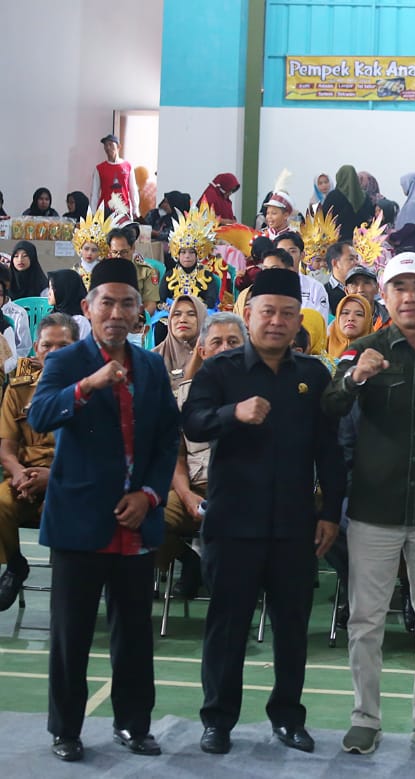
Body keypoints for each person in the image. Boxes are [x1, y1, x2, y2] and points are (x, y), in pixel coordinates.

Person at [182, 268, 345, 756]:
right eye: (268, 312)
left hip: (295, 524)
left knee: (293, 628)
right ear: (249, 314)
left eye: (288, 314)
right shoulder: (220, 370)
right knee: (227, 628)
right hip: (233, 523)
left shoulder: (314, 375)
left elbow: (329, 451)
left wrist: (331, 512)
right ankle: (218, 721)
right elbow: (191, 423)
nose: (277, 322)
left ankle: (289, 718)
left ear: (300, 322)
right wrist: (234, 414)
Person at [28, 259, 181, 762]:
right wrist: (88, 385)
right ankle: (66, 729)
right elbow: (41, 415)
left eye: (127, 303)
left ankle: (134, 724)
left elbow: (164, 442)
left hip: (136, 520)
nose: (116, 313)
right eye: (107, 303)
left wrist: (150, 496)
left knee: (134, 632)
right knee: (71, 635)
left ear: (140, 312)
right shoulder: (66, 360)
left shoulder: (153, 367)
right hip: (79, 520)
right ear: (88, 309)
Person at [321, 251, 415, 756]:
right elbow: (330, 404)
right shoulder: (362, 349)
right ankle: (365, 716)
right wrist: (356, 377)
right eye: (398, 287)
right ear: (383, 296)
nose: (409, 296)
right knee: (365, 620)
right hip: (373, 509)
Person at [158, 312, 246, 600]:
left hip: (241, 493)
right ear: (203, 351)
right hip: (194, 488)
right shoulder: (184, 396)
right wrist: (185, 495)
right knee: (149, 516)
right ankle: (188, 561)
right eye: (217, 342)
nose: (224, 349)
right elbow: (176, 456)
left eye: (233, 342)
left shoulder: (261, 392)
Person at [0, 315, 79, 612]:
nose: (54, 352)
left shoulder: (88, 388)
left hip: (70, 482)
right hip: (26, 479)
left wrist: (54, 477)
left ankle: (69, 584)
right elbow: (6, 445)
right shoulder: (19, 388)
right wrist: (19, 473)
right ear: (36, 348)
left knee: (63, 511)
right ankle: (15, 565)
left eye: (64, 345)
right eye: (47, 345)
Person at [153, 294, 207, 390]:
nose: (182, 320)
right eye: (177, 314)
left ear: (202, 319)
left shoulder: (211, 357)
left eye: (191, 314)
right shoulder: (153, 358)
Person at [270, 236, 331, 316]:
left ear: (302, 255)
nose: (287, 256)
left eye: (292, 251)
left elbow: (320, 321)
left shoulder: (315, 288)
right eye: (282, 252)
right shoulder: (266, 285)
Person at [105, 228, 160, 315]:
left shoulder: (146, 271)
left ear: (133, 248)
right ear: (109, 250)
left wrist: (136, 319)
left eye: (124, 252)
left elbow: (150, 304)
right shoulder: (104, 272)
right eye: (115, 252)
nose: (119, 257)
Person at [91, 134, 138, 217]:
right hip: (105, 211)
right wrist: (93, 213)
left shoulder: (127, 166)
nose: (108, 148)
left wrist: (135, 209)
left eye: (110, 144)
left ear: (118, 146)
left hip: (123, 209)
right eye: (105, 145)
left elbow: (133, 190)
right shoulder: (99, 168)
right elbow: (94, 194)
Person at [326, 165, 377, 242]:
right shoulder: (365, 197)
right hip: (360, 241)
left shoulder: (333, 196)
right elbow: (370, 216)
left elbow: (324, 218)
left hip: (337, 241)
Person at [48, 269, 92, 342]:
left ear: (65, 289)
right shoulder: (52, 315)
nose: (49, 292)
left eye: (52, 288)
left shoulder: (80, 321)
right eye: (49, 287)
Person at [326, 294, 374, 360]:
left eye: (359, 314)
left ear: (368, 320)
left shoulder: (379, 351)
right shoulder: (321, 350)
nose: (351, 318)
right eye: (345, 313)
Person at [323, 241, 357, 314]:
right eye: (351, 259)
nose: (356, 262)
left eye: (356, 258)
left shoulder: (362, 288)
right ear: (335, 263)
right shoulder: (323, 292)